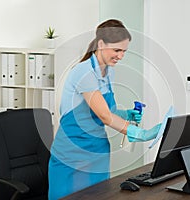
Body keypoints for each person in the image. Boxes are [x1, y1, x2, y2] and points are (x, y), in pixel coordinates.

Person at [48, 19, 161, 199]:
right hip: (72, 154)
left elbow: (109, 110)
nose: (121, 56)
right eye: (117, 50)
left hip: (97, 151)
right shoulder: (83, 72)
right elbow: (105, 116)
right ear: (101, 44)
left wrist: (126, 114)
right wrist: (142, 134)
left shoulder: (108, 71)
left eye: (124, 51)